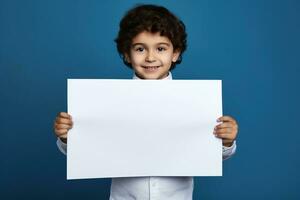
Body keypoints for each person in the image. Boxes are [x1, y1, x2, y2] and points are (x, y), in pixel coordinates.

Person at [54, 4, 238, 200]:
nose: (151, 57)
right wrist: (67, 137)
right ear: (126, 53)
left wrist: (226, 141)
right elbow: (88, 150)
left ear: (175, 53)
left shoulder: (195, 102)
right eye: (140, 49)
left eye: (160, 48)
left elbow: (210, 154)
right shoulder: (110, 102)